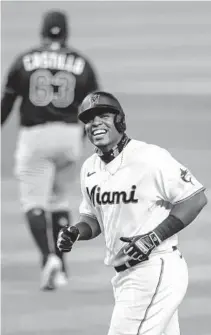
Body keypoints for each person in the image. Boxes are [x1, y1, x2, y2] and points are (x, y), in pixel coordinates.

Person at [57, 91, 208, 335]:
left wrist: (153, 238)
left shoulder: (149, 157)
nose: (95, 123)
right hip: (127, 276)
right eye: (89, 119)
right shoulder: (90, 168)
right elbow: (93, 218)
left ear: (119, 121)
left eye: (103, 116)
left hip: (155, 268)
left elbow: (195, 199)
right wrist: (76, 231)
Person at [1, 10, 99, 290]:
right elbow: (94, 105)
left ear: (42, 32)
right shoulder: (81, 62)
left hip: (36, 135)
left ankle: (48, 259)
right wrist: (86, 138)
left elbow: (7, 103)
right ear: (66, 32)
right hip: (69, 138)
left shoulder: (25, 60)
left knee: (34, 202)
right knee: (58, 201)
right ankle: (62, 269)